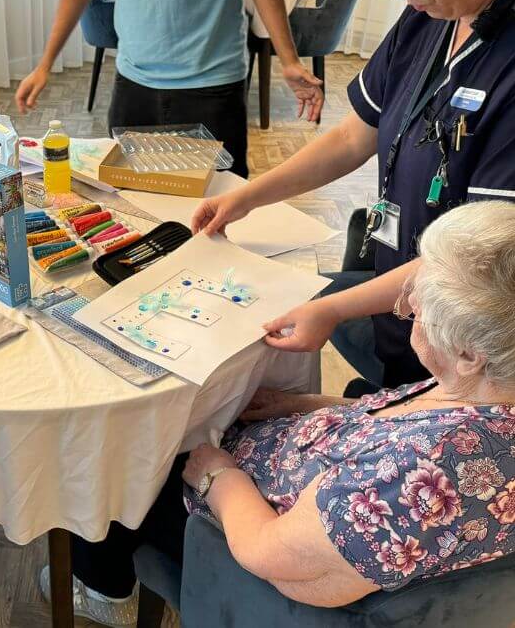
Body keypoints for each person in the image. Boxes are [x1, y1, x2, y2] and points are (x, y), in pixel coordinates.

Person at [46, 201, 515, 626]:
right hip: (294, 468)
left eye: (422, 301)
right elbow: (401, 417)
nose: (408, 302)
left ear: (470, 352)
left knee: (117, 462)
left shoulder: (417, 476)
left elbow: (271, 554)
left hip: (238, 535)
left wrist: (218, 476)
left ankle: (104, 591)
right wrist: (303, 405)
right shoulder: (488, 389)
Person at [192, 0, 515, 390]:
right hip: (399, 293)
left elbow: (473, 262)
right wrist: (249, 197)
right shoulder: (430, 18)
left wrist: (334, 311)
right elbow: (352, 137)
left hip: (458, 346)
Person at [14, 0, 325, 178]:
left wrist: (289, 59)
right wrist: (45, 64)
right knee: (132, 201)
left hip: (212, 82)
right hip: (133, 83)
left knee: (216, 210)